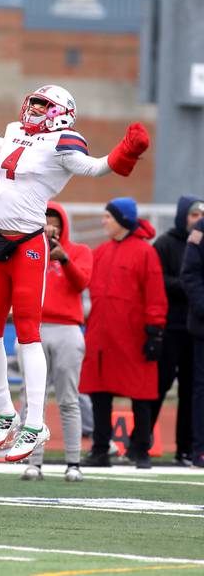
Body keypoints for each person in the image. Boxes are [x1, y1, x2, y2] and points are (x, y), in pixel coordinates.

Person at [0, 85, 150, 461]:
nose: (34, 109)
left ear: (60, 112)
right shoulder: (16, 131)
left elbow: (94, 167)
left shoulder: (63, 142)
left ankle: (33, 422)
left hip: (29, 244)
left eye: (43, 105)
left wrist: (128, 150)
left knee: (27, 333)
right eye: (35, 102)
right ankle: (5, 412)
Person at [79, 198, 167, 469]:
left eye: (108, 216)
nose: (104, 221)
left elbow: (155, 295)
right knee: (99, 393)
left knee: (140, 395)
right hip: (101, 336)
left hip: (134, 336)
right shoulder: (101, 252)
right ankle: (100, 449)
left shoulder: (145, 252)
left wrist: (155, 332)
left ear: (122, 220)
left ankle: (141, 450)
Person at [18, 201, 92, 482]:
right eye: (45, 223)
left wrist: (64, 259)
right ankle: (33, 461)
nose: (51, 228)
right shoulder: (29, 252)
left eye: (55, 223)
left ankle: (73, 462)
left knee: (68, 399)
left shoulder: (80, 252)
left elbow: (82, 283)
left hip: (68, 330)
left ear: (63, 226)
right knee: (32, 398)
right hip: (34, 328)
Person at [152, 197, 202, 466]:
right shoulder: (165, 243)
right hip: (169, 327)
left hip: (194, 329)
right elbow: (158, 280)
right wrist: (189, 285)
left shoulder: (201, 243)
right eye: (193, 214)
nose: (197, 219)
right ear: (184, 215)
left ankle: (185, 448)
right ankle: (142, 441)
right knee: (159, 385)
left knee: (191, 391)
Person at [181, 213, 204, 468]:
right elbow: (190, 274)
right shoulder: (201, 229)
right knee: (202, 390)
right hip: (203, 327)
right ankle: (201, 449)